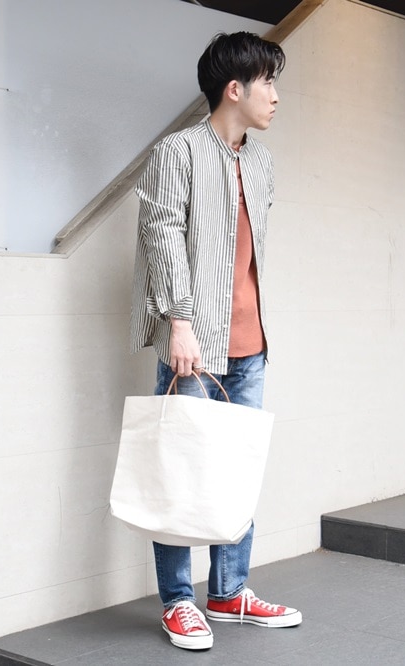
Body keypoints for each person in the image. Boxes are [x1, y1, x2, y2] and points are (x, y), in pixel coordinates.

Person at [130, 31, 302, 651]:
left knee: (238, 473)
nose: (275, 96)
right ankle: (179, 601)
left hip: (251, 346)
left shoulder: (261, 161)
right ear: (235, 88)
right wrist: (179, 322)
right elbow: (161, 239)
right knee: (181, 472)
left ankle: (229, 592)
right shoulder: (176, 153)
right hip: (194, 345)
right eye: (268, 83)